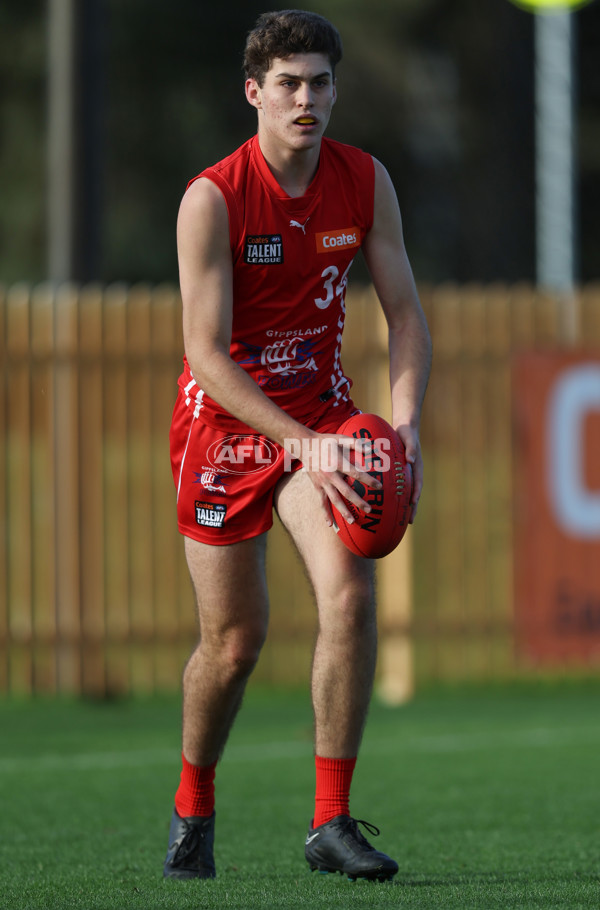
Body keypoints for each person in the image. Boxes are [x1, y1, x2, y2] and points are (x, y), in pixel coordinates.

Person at [163, 9, 431, 883]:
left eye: (320, 82)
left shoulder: (364, 182)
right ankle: (193, 806)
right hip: (227, 431)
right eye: (288, 84)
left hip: (321, 417)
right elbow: (205, 351)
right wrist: (304, 443)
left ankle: (329, 823)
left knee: (350, 595)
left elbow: (405, 314)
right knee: (236, 641)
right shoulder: (212, 197)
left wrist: (405, 425)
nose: (306, 99)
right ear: (254, 93)